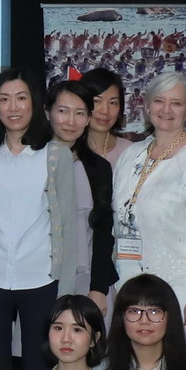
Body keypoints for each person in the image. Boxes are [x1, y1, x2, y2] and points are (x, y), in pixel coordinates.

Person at [0, 71, 93, 370]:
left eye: (21, 98)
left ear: (35, 104)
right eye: (4, 99)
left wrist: (66, 291)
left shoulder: (56, 155)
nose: (13, 107)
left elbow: (68, 227)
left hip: (40, 278)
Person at [106, 71, 186, 360]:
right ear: (147, 106)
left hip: (184, 290)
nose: (166, 109)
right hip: (133, 287)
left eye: (176, 103)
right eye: (159, 101)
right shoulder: (131, 155)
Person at [53, 78, 118, 293]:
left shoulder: (99, 168)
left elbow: (103, 234)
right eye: (63, 111)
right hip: (38, 280)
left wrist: (98, 289)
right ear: (47, 112)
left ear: (89, 118)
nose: (71, 121)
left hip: (87, 278)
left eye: (80, 113)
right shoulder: (32, 162)